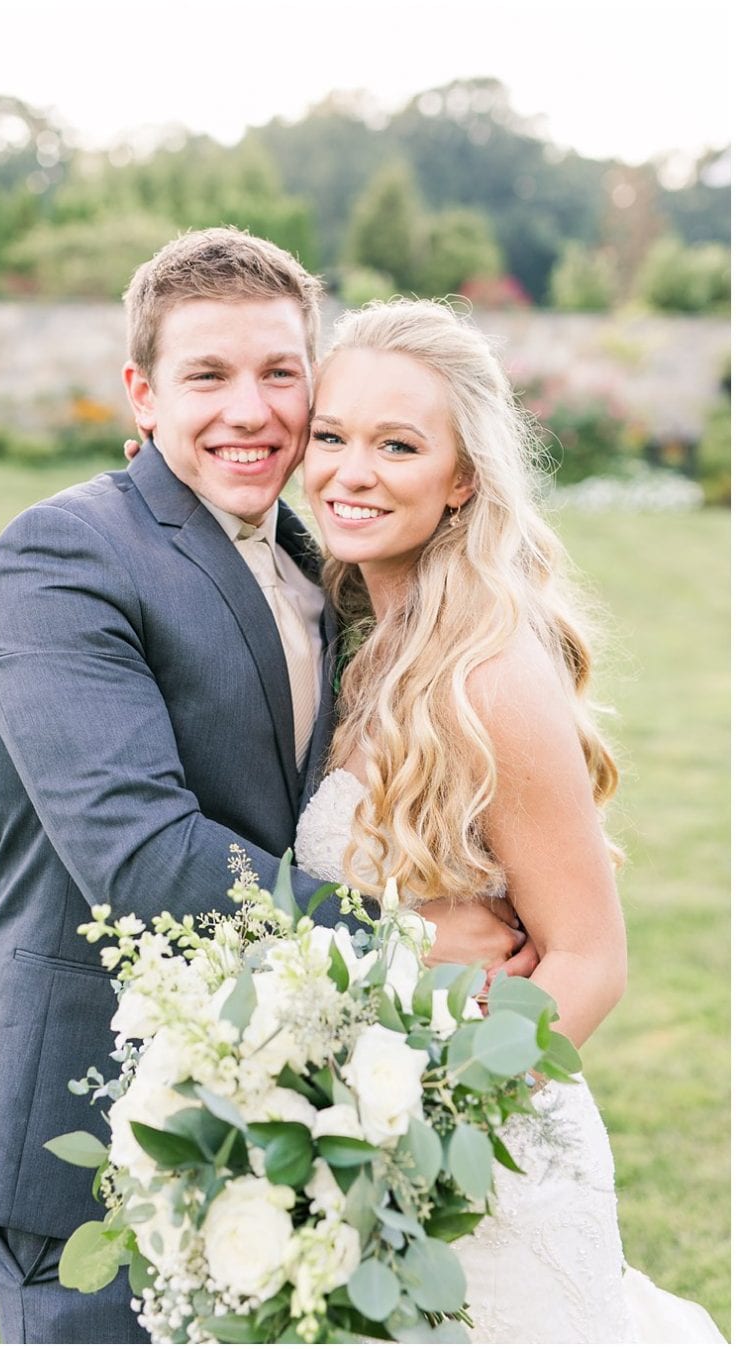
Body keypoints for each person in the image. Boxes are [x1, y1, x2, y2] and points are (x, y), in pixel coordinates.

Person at [0, 228, 531, 1343]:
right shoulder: (60, 557)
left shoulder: (327, 563)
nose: (249, 410)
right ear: (142, 394)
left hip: (290, 1104)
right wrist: (402, 943)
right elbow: (144, 855)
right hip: (94, 1107)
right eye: (207, 374)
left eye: (280, 372)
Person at [293, 298, 722, 1342]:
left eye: (398, 444)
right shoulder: (356, 635)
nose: (351, 470)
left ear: (463, 478)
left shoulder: (489, 674)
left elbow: (588, 957)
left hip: (481, 1172)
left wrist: (423, 1127)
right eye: (331, 435)